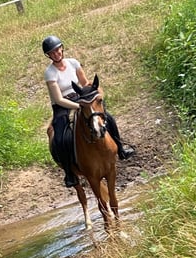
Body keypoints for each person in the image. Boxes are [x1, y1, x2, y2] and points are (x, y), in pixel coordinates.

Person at [42, 35, 135, 188]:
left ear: (62, 48)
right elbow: (58, 99)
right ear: (49, 55)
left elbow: (84, 83)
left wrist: (93, 95)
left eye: (58, 49)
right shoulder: (50, 73)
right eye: (52, 52)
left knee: (109, 118)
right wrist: (79, 107)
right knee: (60, 136)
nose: (56, 53)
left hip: (81, 98)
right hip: (62, 106)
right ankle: (69, 173)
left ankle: (121, 149)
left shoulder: (73, 63)